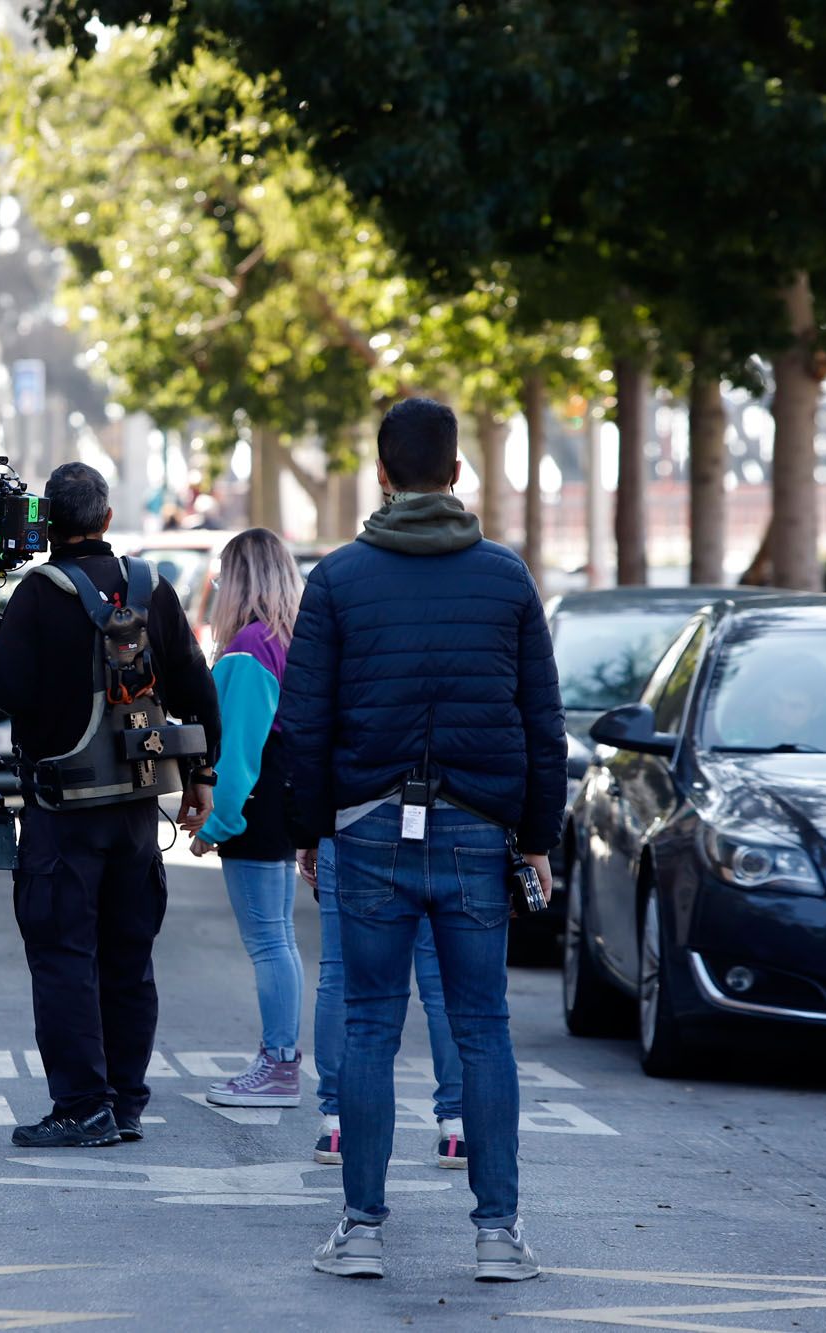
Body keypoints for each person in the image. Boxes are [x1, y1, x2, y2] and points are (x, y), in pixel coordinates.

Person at [281, 398, 563, 1284]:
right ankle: (497, 1233)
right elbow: (542, 723)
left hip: (366, 828)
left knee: (367, 1024)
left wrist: (306, 832)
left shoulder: (337, 579)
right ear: (456, 474)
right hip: (479, 831)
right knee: (483, 1028)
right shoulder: (506, 577)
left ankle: (360, 1229)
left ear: (383, 471)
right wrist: (539, 835)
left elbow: (303, 725)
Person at [0, 462, 221, 1149]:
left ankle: (82, 1105)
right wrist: (204, 775)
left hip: (63, 812)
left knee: (64, 956)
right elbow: (197, 684)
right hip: (138, 809)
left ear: (47, 526)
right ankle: (125, 1102)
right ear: (106, 521)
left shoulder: (38, 595)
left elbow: (13, 688)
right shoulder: (150, 587)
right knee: (129, 957)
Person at [189, 529, 305, 1108]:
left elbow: (236, 757)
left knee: (268, 942)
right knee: (279, 939)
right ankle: (281, 1059)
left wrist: (213, 827)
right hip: (285, 806)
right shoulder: (291, 641)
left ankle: (279, 1063)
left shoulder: (246, 649)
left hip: (254, 813)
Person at [307, 842, 468, 1170]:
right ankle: (455, 1128)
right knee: (441, 982)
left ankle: (336, 1123)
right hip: (439, 833)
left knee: (340, 972)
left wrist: (307, 833)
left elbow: (313, 789)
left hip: (351, 832)